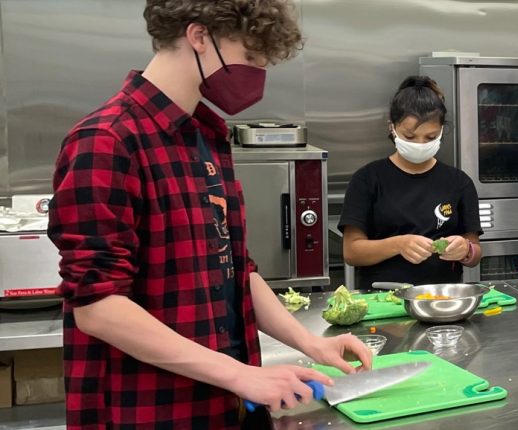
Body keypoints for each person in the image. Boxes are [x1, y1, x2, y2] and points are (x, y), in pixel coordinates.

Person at [47, 1, 373, 428]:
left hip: (226, 403)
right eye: (250, 58)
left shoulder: (206, 137)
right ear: (199, 37)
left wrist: (311, 343)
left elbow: (237, 268)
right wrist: (240, 375)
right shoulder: (106, 141)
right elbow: (98, 305)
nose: (257, 75)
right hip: (150, 410)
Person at [340, 76, 481, 289]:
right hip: (382, 297)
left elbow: (475, 252)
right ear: (392, 128)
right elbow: (352, 252)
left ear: (441, 131)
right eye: (410, 137)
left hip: (442, 297)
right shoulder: (368, 179)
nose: (420, 144)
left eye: (430, 137)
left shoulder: (459, 182)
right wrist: (399, 244)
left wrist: (466, 250)